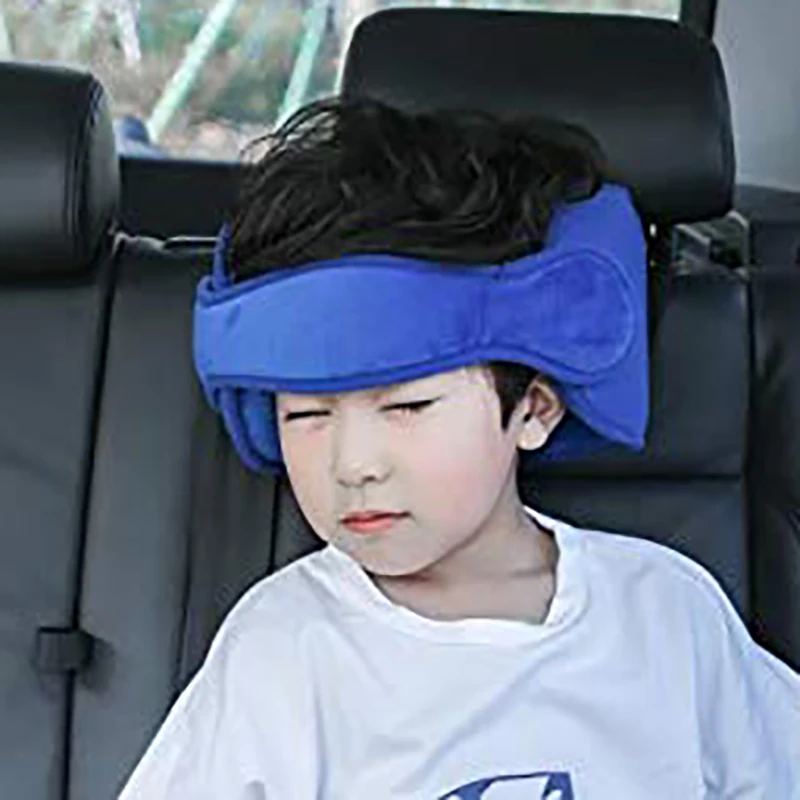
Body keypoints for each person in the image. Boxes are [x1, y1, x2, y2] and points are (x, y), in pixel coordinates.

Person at [118, 97, 800, 800]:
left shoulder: (665, 613)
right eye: (307, 414)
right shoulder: (283, 648)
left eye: (407, 407)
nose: (353, 466)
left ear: (533, 410)